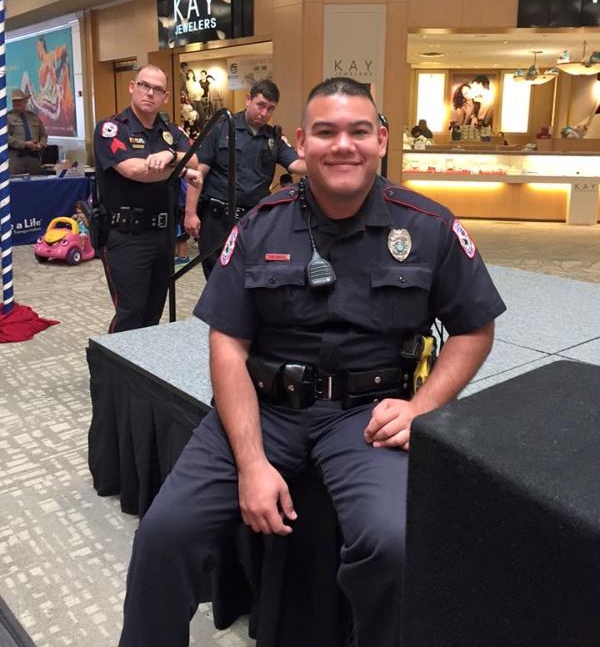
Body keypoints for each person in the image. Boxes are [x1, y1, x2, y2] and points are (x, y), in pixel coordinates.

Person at [119, 77, 506, 647]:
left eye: (357, 131)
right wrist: (251, 463)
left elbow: (476, 326)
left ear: (381, 139)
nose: (342, 145)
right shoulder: (260, 225)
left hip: (366, 415)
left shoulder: (428, 227)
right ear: (302, 143)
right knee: (164, 533)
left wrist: (422, 408)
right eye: (325, 132)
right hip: (265, 408)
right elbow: (228, 343)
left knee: (395, 544)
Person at [93, 65, 202, 332]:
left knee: (153, 312)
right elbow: (133, 170)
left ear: (165, 97)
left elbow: (195, 159)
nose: (149, 93)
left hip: (163, 234)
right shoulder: (112, 128)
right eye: (144, 86)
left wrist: (169, 156)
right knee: (131, 311)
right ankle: (114, 373)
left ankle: (141, 372)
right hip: (126, 235)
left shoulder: (171, 131)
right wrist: (182, 172)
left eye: (157, 89)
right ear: (132, 86)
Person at [184, 79, 306, 278]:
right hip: (218, 218)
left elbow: (296, 165)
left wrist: (325, 159)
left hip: (254, 220)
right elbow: (198, 173)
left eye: (270, 109)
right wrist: (190, 213)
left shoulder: (273, 137)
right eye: (260, 105)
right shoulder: (223, 128)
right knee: (217, 280)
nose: (264, 113)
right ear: (248, 100)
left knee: (248, 279)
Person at [7, 88, 48, 175]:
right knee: (16, 184)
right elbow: (4, 137)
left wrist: (41, 145)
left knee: (36, 184)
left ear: (26, 101)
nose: (16, 103)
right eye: (14, 101)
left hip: (33, 157)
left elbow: (43, 135)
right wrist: (25, 144)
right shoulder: (7, 117)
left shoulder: (34, 117)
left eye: (19, 101)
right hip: (16, 157)